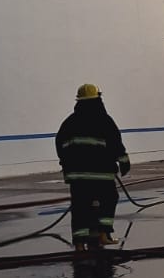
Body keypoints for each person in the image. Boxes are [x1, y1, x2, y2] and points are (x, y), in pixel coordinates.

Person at [55, 83, 130, 251]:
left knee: (80, 206)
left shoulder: (69, 122)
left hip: (77, 176)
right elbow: (115, 143)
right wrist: (124, 161)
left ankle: (79, 244)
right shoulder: (104, 120)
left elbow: (60, 144)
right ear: (98, 99)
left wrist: (66, 164)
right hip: (100, 173)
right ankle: (104, 234)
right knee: (109, 198)